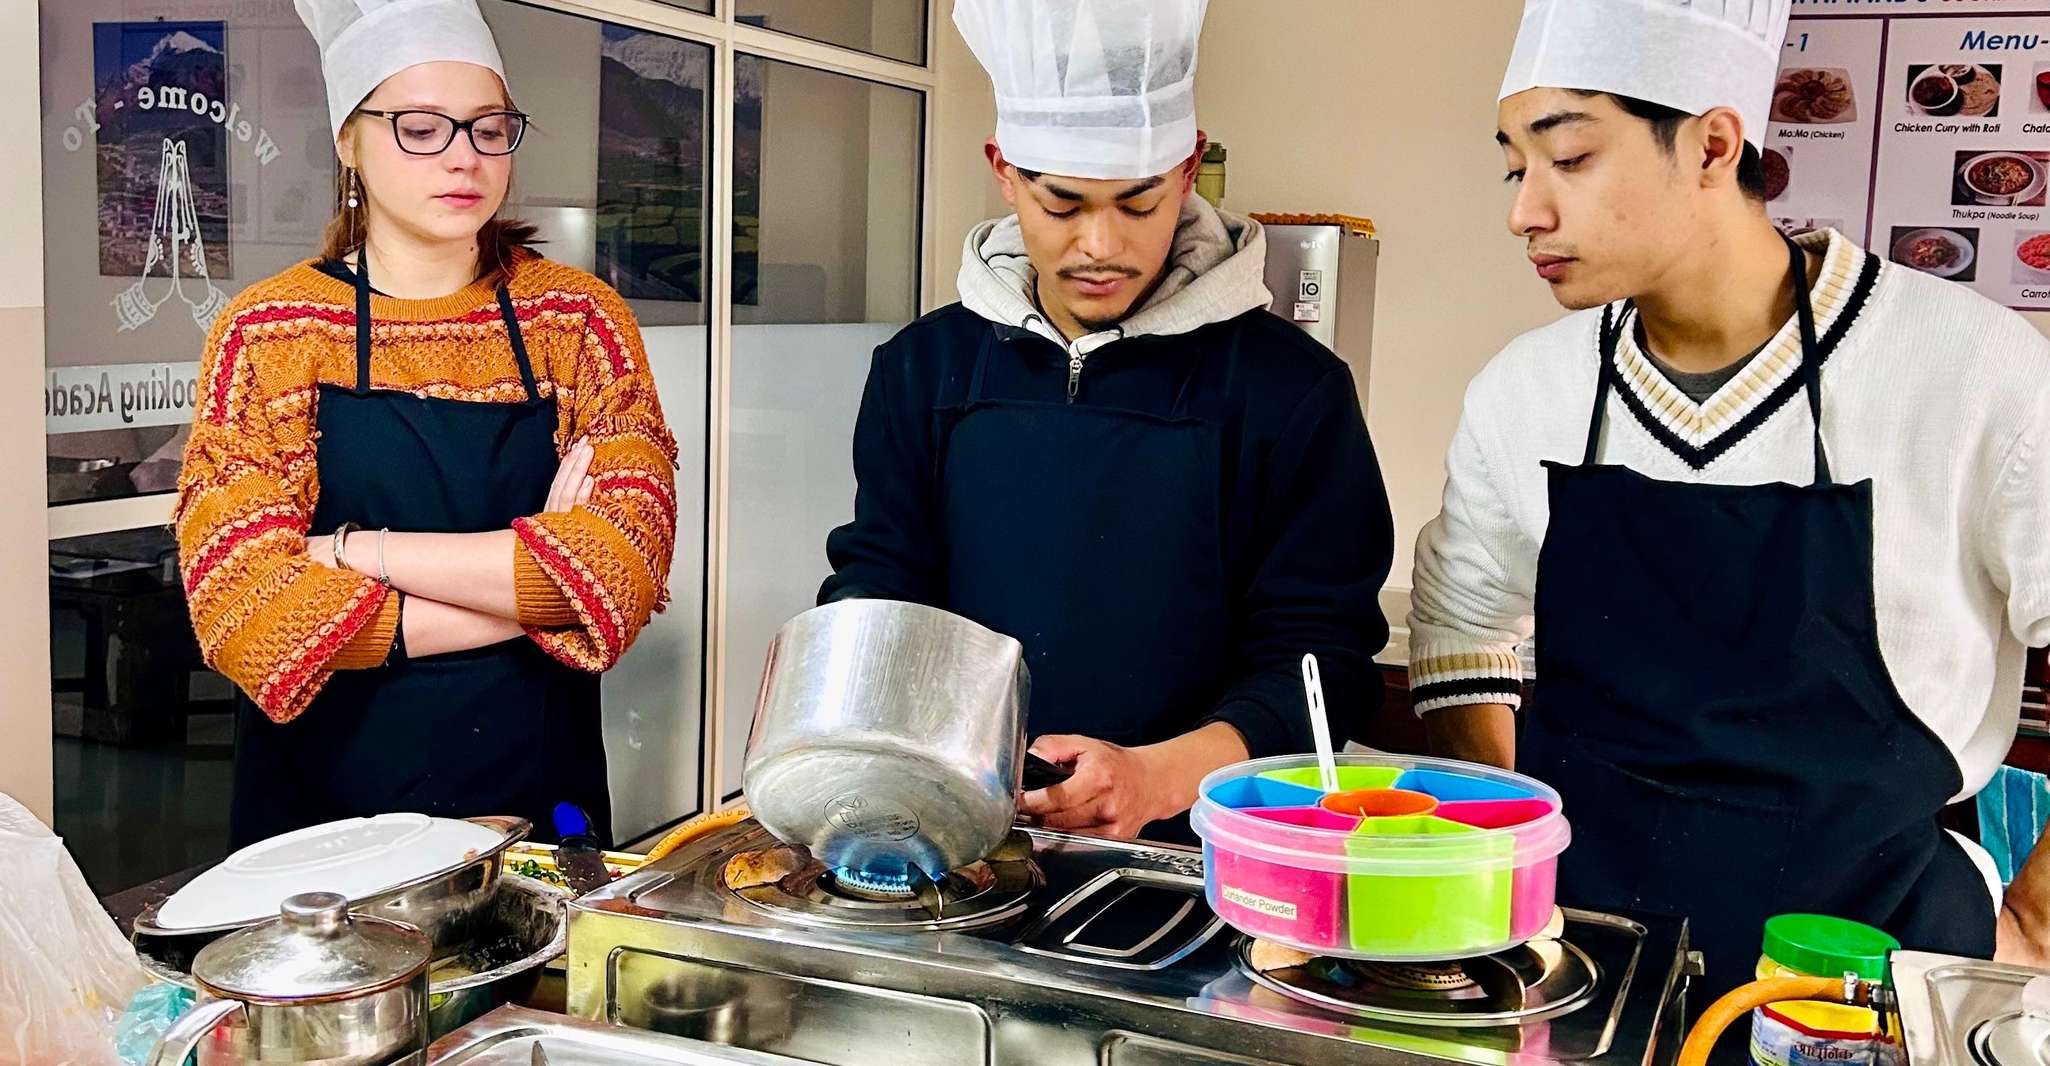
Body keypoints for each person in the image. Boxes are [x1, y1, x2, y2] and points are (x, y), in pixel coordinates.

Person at [1409, 0, 2050, 1011]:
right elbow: (1460, 630)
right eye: (1513, 168)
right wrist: (1508, 856)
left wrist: (2036, 922)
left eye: (1569, 157)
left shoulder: (1972, 371)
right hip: (1580, 968)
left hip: (1875, 971)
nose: (1524, 211)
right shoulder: (1526, 390)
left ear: (1712, 145)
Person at [820, 0, 1394, 843]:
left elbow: (1320, 663)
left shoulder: (1290, 391)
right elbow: (884, 591)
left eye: (1137, 203)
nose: (1100, 245)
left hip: (1204, 859)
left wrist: (1154, 778)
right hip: (958, 847)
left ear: (1188, 169)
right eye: (1063, 204)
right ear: (1004, 169)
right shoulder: (922, 370)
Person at [176, 0, 677, 848]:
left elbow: (621, 572)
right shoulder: (270, 331)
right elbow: (247, 615)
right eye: (419, 128)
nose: (464, 157)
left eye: (489, 128)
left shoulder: (578, 321)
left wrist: (348, 554)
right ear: (349, 140)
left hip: (536, 791)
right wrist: (541, 595)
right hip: (323, 814)